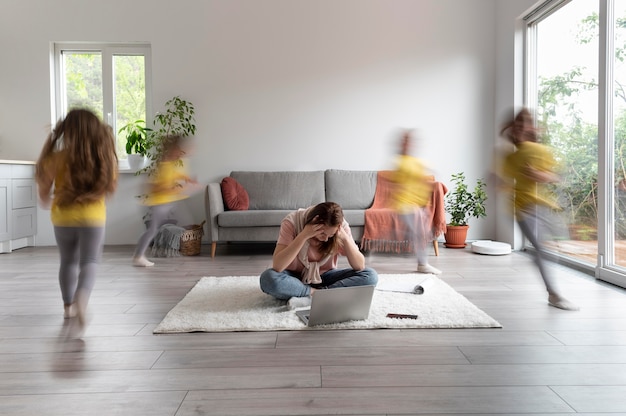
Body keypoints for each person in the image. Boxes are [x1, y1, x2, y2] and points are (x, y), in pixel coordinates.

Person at [35, 108, 118, 335]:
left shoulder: (55, 158)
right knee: (90, 261)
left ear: (67, 132)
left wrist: (48, 199)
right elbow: (108, 189)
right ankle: (83, 297)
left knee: (68, 261)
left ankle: (68, 306)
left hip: (63, 217)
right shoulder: (103, 157)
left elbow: (43, 194)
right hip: (93, 218)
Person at [499, 108, 579, 311]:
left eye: (525, 125)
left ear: (531, 128)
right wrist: (499, 182)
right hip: (522, 209)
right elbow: (504, 182)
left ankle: (538, 261)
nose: (521, 129)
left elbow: (555, 176)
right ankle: (554, 294)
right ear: (514, 130)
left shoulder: (541, 151)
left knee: (557, 242)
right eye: (517, 126)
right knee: (543, 251)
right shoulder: (511, 158)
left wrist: (537, 174)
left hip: (543, 206)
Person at [259, 202, 378, 309]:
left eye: (330, 235)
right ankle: (319, 294)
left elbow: (359, 265)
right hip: (294, 278)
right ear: (315, 221)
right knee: (268, 278)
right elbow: (278, 266)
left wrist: (345, 239)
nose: (326, 239)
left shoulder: (340, 227)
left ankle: (311, 296)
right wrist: (303, 235)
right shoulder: (292, 222)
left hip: (325, 276)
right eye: (323, 234)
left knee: (370, 276)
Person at [133, 134, 198, 266]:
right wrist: (182, 189)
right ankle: (138, 256)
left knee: (186, 222)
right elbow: (160, 188)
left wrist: (188, 179)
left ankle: (141, 255)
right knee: (152, 230)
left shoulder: (172, 163)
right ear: (173, 150)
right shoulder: (164, 166)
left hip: (167, 202)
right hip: (158, 204)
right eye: (179, 150)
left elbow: (177, 174)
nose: (182, 153)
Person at [390, 129, 441, 275]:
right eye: (406, 141)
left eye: (410, 141)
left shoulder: (415, 161)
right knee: (420, 233)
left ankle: (422, 262)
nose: (409, 144)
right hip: (406, 205)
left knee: (421, 233)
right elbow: (396, 183)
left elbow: (424, 172)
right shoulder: (400, 161)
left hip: (417, 204)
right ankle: (422, 264)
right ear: (402, 143)